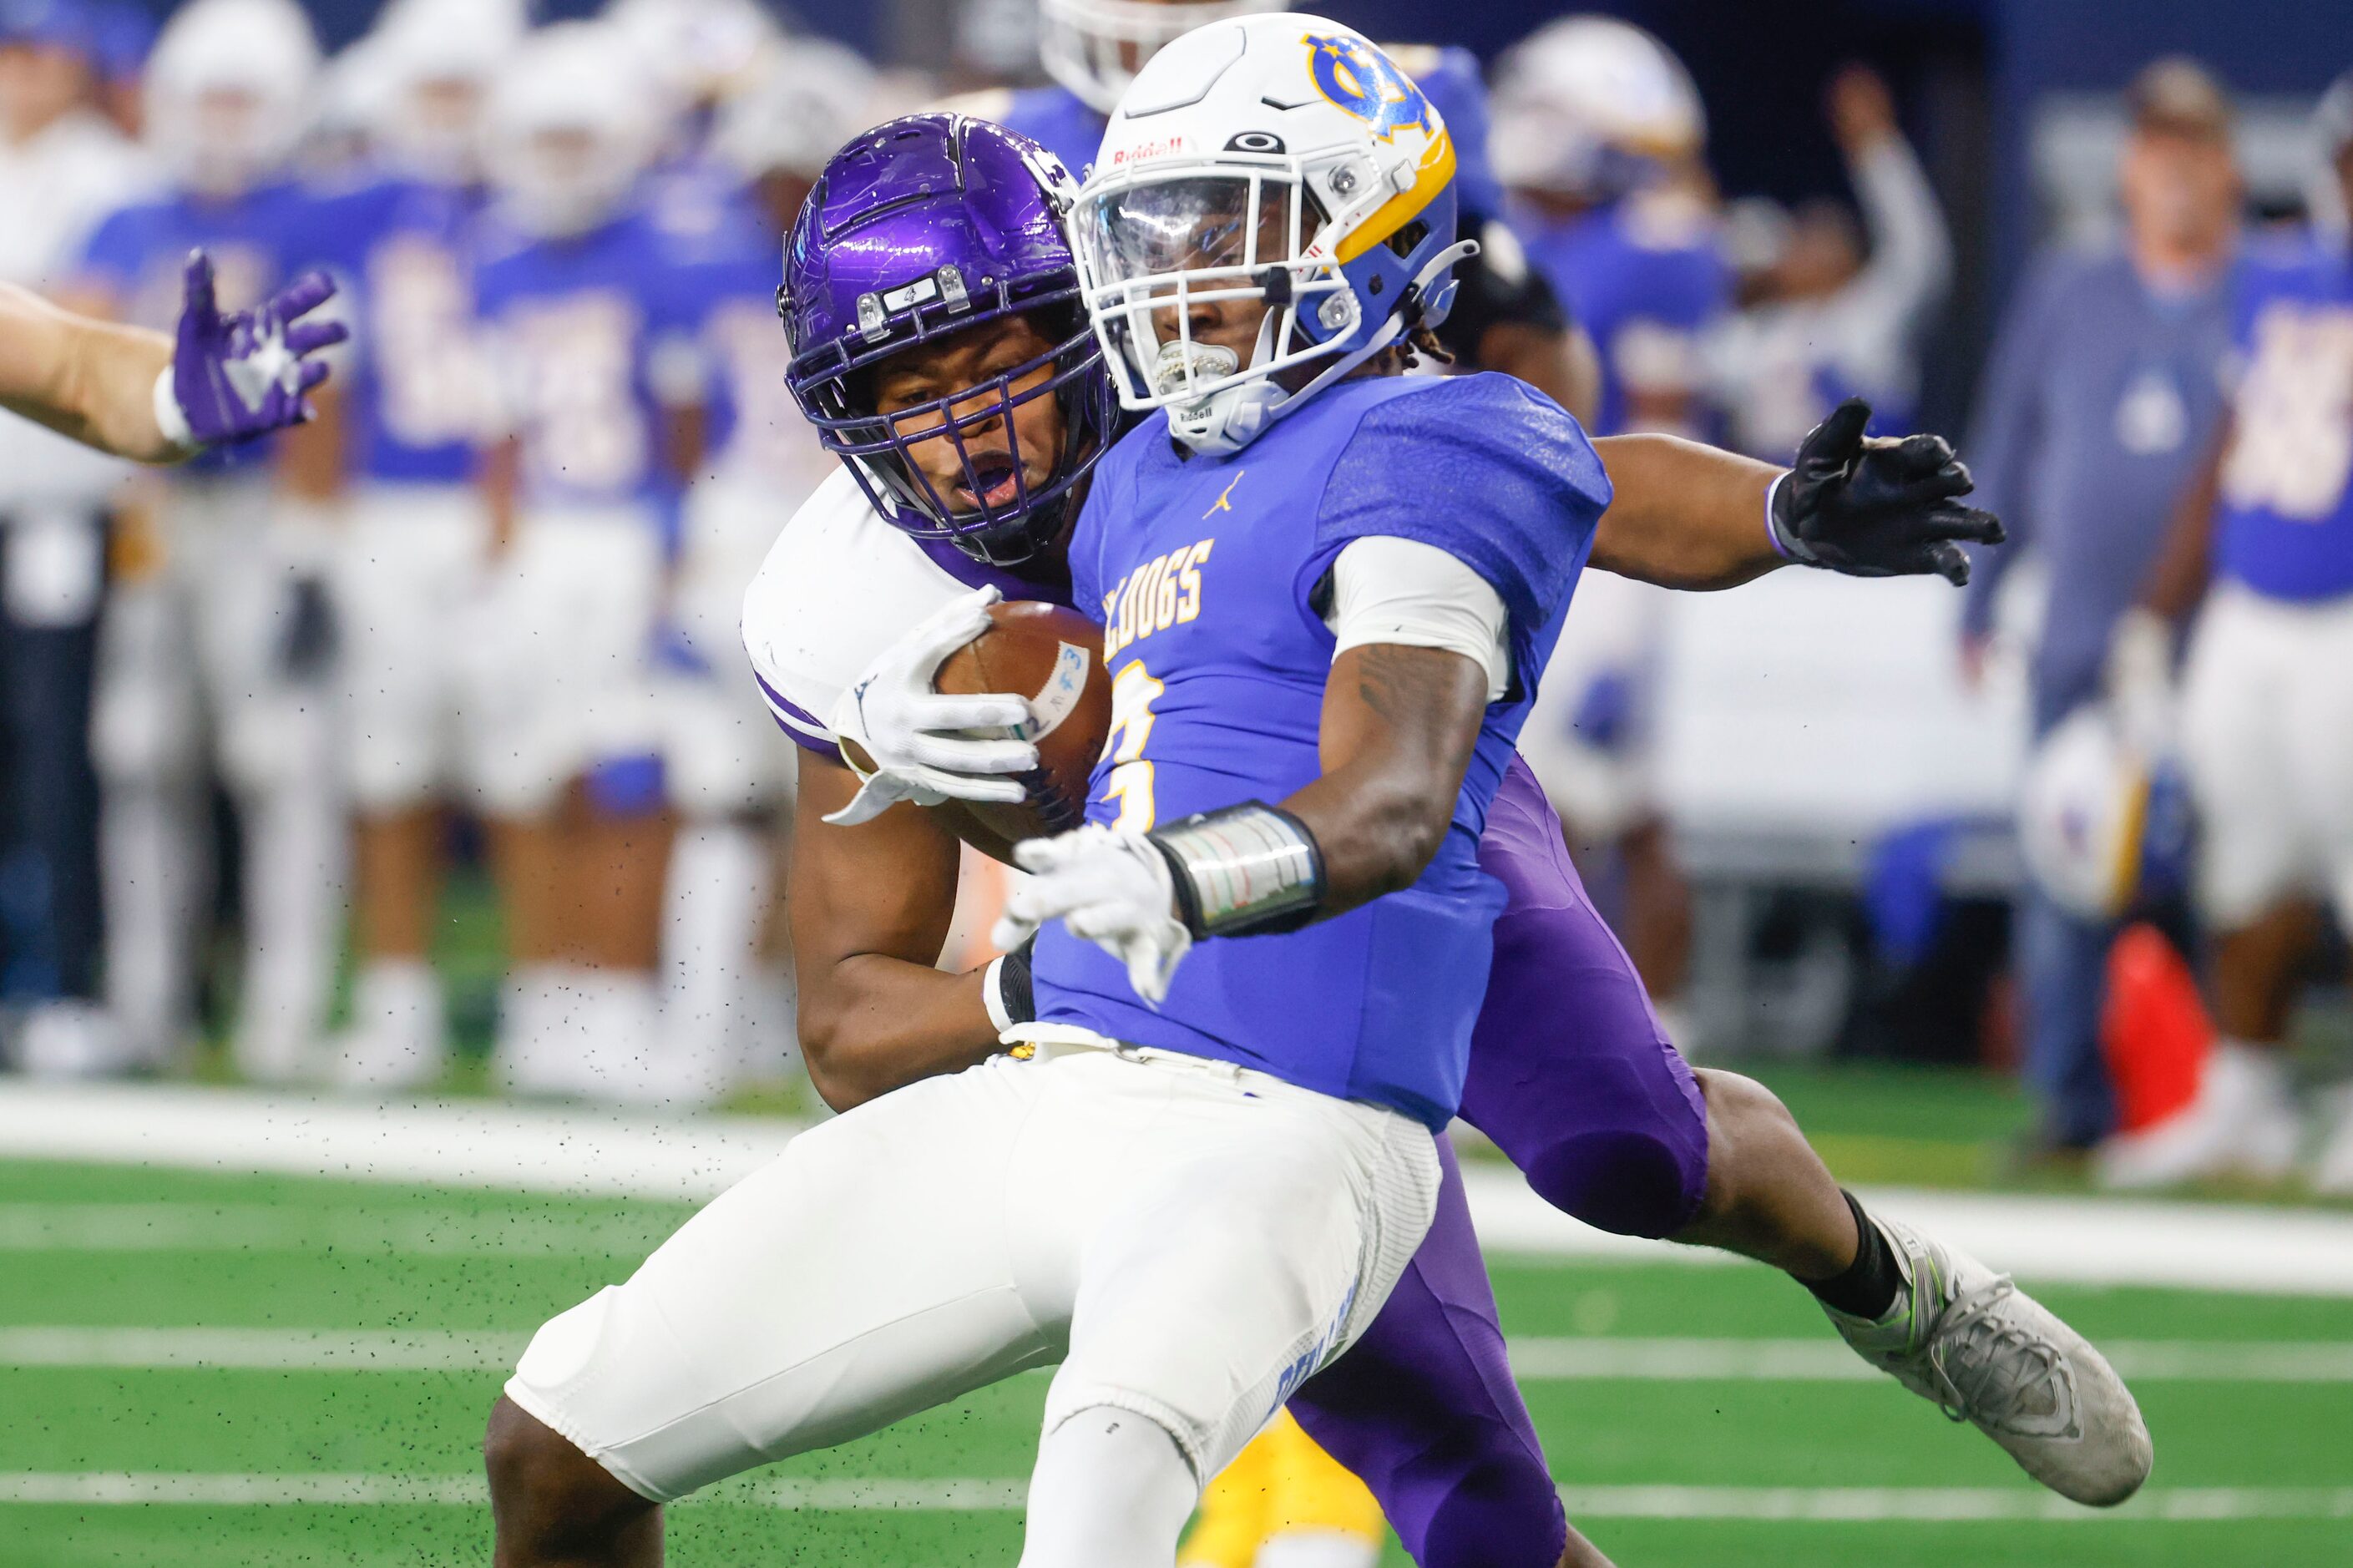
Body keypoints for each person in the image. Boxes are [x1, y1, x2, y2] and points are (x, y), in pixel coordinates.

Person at [510, 64, 2119, 1568]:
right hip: (1187, 1015)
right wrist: (1041, 968)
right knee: (1469, 1501)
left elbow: (1512, 463)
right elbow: (851, 1023)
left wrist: (1772, 506)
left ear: (1081, 311)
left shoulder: (1209, 374)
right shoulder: (845, 608)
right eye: (906, 389)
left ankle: (1882, 1279)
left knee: (1632, 1149)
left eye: (996, 360)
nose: (965, 428)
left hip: (1379, 820)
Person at [1956, 58, 2243, 1163]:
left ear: (2224, 168)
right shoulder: (2068, 285)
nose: (2172, 169)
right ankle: (2068, 1105)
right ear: (2128, 165)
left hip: (2216, 642)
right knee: (2061, 865)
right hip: (2079, 630)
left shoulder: (2257, 290)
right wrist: (1977, 587)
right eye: (2155, 148)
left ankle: (2232, 1100)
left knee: (2231, 867)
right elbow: (2010, 437)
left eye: (2193, 149)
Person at [66, 0, 342, 1081]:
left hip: (268, 510)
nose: (224, 120)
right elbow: (84, 363)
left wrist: (316, 529)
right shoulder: (128, 218)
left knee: (280, 763)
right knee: (137, 758)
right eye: (208, 96)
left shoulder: (321, 218)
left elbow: (345, 385)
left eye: (244, 97)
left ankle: (288, 1011)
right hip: (155, 511)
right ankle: (148, 1003)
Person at [2096, 69, 2353, 1193]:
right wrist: (2159, 606)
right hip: (2251, 610)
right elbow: (2229, 448)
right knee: (2241, 867)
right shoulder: (2278, 275)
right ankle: (2241, 1092)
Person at [978, 0, 1598, 424]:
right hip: (1112, 500)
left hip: (1324, 452)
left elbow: (1521, 327)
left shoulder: (1354, 89)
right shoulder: (989, 143)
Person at [282, 0, 522, 1090]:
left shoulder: (543, 202)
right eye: (436, 89)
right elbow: (319, 376)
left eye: (470, 89)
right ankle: (394, 999)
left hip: (522, 513)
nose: (453, 114)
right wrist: (314, 517)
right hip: (390, 508)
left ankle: (546, 1000)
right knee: (386, 769)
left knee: (529, 769)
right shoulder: (353, 212)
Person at [466, 22, 706, 1101]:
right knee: (525, 772)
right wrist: (495, 538)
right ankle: (541, 996)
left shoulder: (664, 250)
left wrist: (677, 548)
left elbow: (692, 421)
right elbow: (496, 429)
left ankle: (617, 998)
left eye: (579, 138)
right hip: (539, 540)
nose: (560, 161)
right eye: (545, 138)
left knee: (627, 774)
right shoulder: (499, 255)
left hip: (628, 531)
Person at [1488, 15, 1728, 1048]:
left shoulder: (1649, 253)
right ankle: (1572, 1029)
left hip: (1611, 551)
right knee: (1541, 809)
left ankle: (1641, 1030)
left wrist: (1632, 626)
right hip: (1528, 540)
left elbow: (1667, 435)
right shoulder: (1525, 239)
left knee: (1614, 812)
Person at [645, 41, 877, 1103]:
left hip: (826, 537)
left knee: (840, 802)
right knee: (732, 797)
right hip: (759, 537)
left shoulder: (864, 264)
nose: (782, 196)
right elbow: (683, 430)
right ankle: (707, 1034)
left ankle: (801, 1034)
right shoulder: (718, 264)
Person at [1708, 65, 1952, 460]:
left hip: (1855, 508)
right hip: (1762, 503)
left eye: (1826, 239)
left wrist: (1877, 147)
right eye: (1803, 236)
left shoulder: (1866, 321)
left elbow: (1919, 253)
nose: (1808, 246)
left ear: (1850, 266)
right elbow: (1702, 362)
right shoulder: (1755, 333)